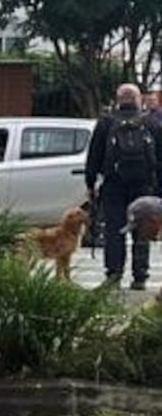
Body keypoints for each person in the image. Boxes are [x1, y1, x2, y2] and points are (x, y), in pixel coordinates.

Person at [85, 84, 162, 290]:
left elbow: (94, 156)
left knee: (114, 229)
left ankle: (114, 274)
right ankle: (140, 276)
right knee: (142, 229)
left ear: (118, 100)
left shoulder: (106, 123)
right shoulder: (152, 123)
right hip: (144, 186)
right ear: (138, 100)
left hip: (114, 185)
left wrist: (90, 183)